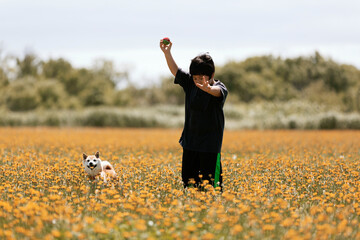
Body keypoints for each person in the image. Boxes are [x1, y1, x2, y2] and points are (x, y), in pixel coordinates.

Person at [159, 38, 228, 191]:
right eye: (195, 78)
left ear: (211, 75)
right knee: (189, 184)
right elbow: (175, 70)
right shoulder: (191, 83)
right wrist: (167, 53)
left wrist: (208, 89)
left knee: (212, 187)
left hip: (210, 147)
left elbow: (218, 93)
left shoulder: (218, 87)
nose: (198, 82)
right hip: (190, 144)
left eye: (201, 78)